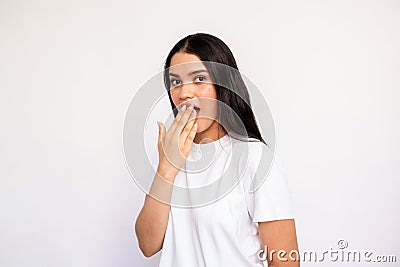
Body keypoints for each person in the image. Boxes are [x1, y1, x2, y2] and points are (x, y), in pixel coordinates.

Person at [135, 33, 300, 267]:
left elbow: (286, 262)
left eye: (199, 78)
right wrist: (166, 169)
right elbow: (148, 244)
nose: (184, 93)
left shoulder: (253, 158)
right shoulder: (168, 157)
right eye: (175, 82)